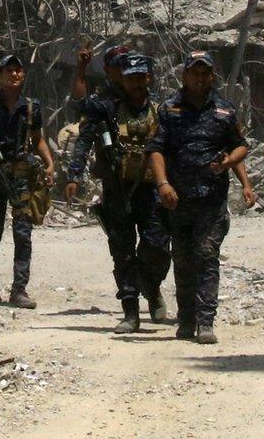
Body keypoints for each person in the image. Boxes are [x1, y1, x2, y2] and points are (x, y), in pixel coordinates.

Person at [65, 52, 172, 332]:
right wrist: (74, 175)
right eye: (130, 78)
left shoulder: (161, 111)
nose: (136, 83)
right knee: (122, 251)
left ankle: (151, 286)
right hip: (117, 189)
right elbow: (79, 109)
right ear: (122, 80)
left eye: (140, 77)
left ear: (148, 78)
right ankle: (130, 311)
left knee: (158, 247)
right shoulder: (107, 108)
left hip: (150, 191)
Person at [147, 51, 248, 344]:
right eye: (195, 73)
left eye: (205, 74)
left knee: (206, 254)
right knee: (182, 258)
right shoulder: (169, 110)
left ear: (212, 77)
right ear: (185, 76)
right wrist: (163, 184)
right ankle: (186, 320)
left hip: (211, 199)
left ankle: (206, 321)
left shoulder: (224, 111)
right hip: (178, 200)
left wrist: (229, 164)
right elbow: (155, 149)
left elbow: (240, 146)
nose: (200, 78)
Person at [0, 53, 56, 309]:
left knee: (23, 233)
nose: (14, 74)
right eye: (9, 70)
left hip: (21, 176)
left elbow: (37, 139)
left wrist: (49, 163)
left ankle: (19, 290)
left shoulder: (31, 107)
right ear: (0, 76)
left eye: (18, 70)